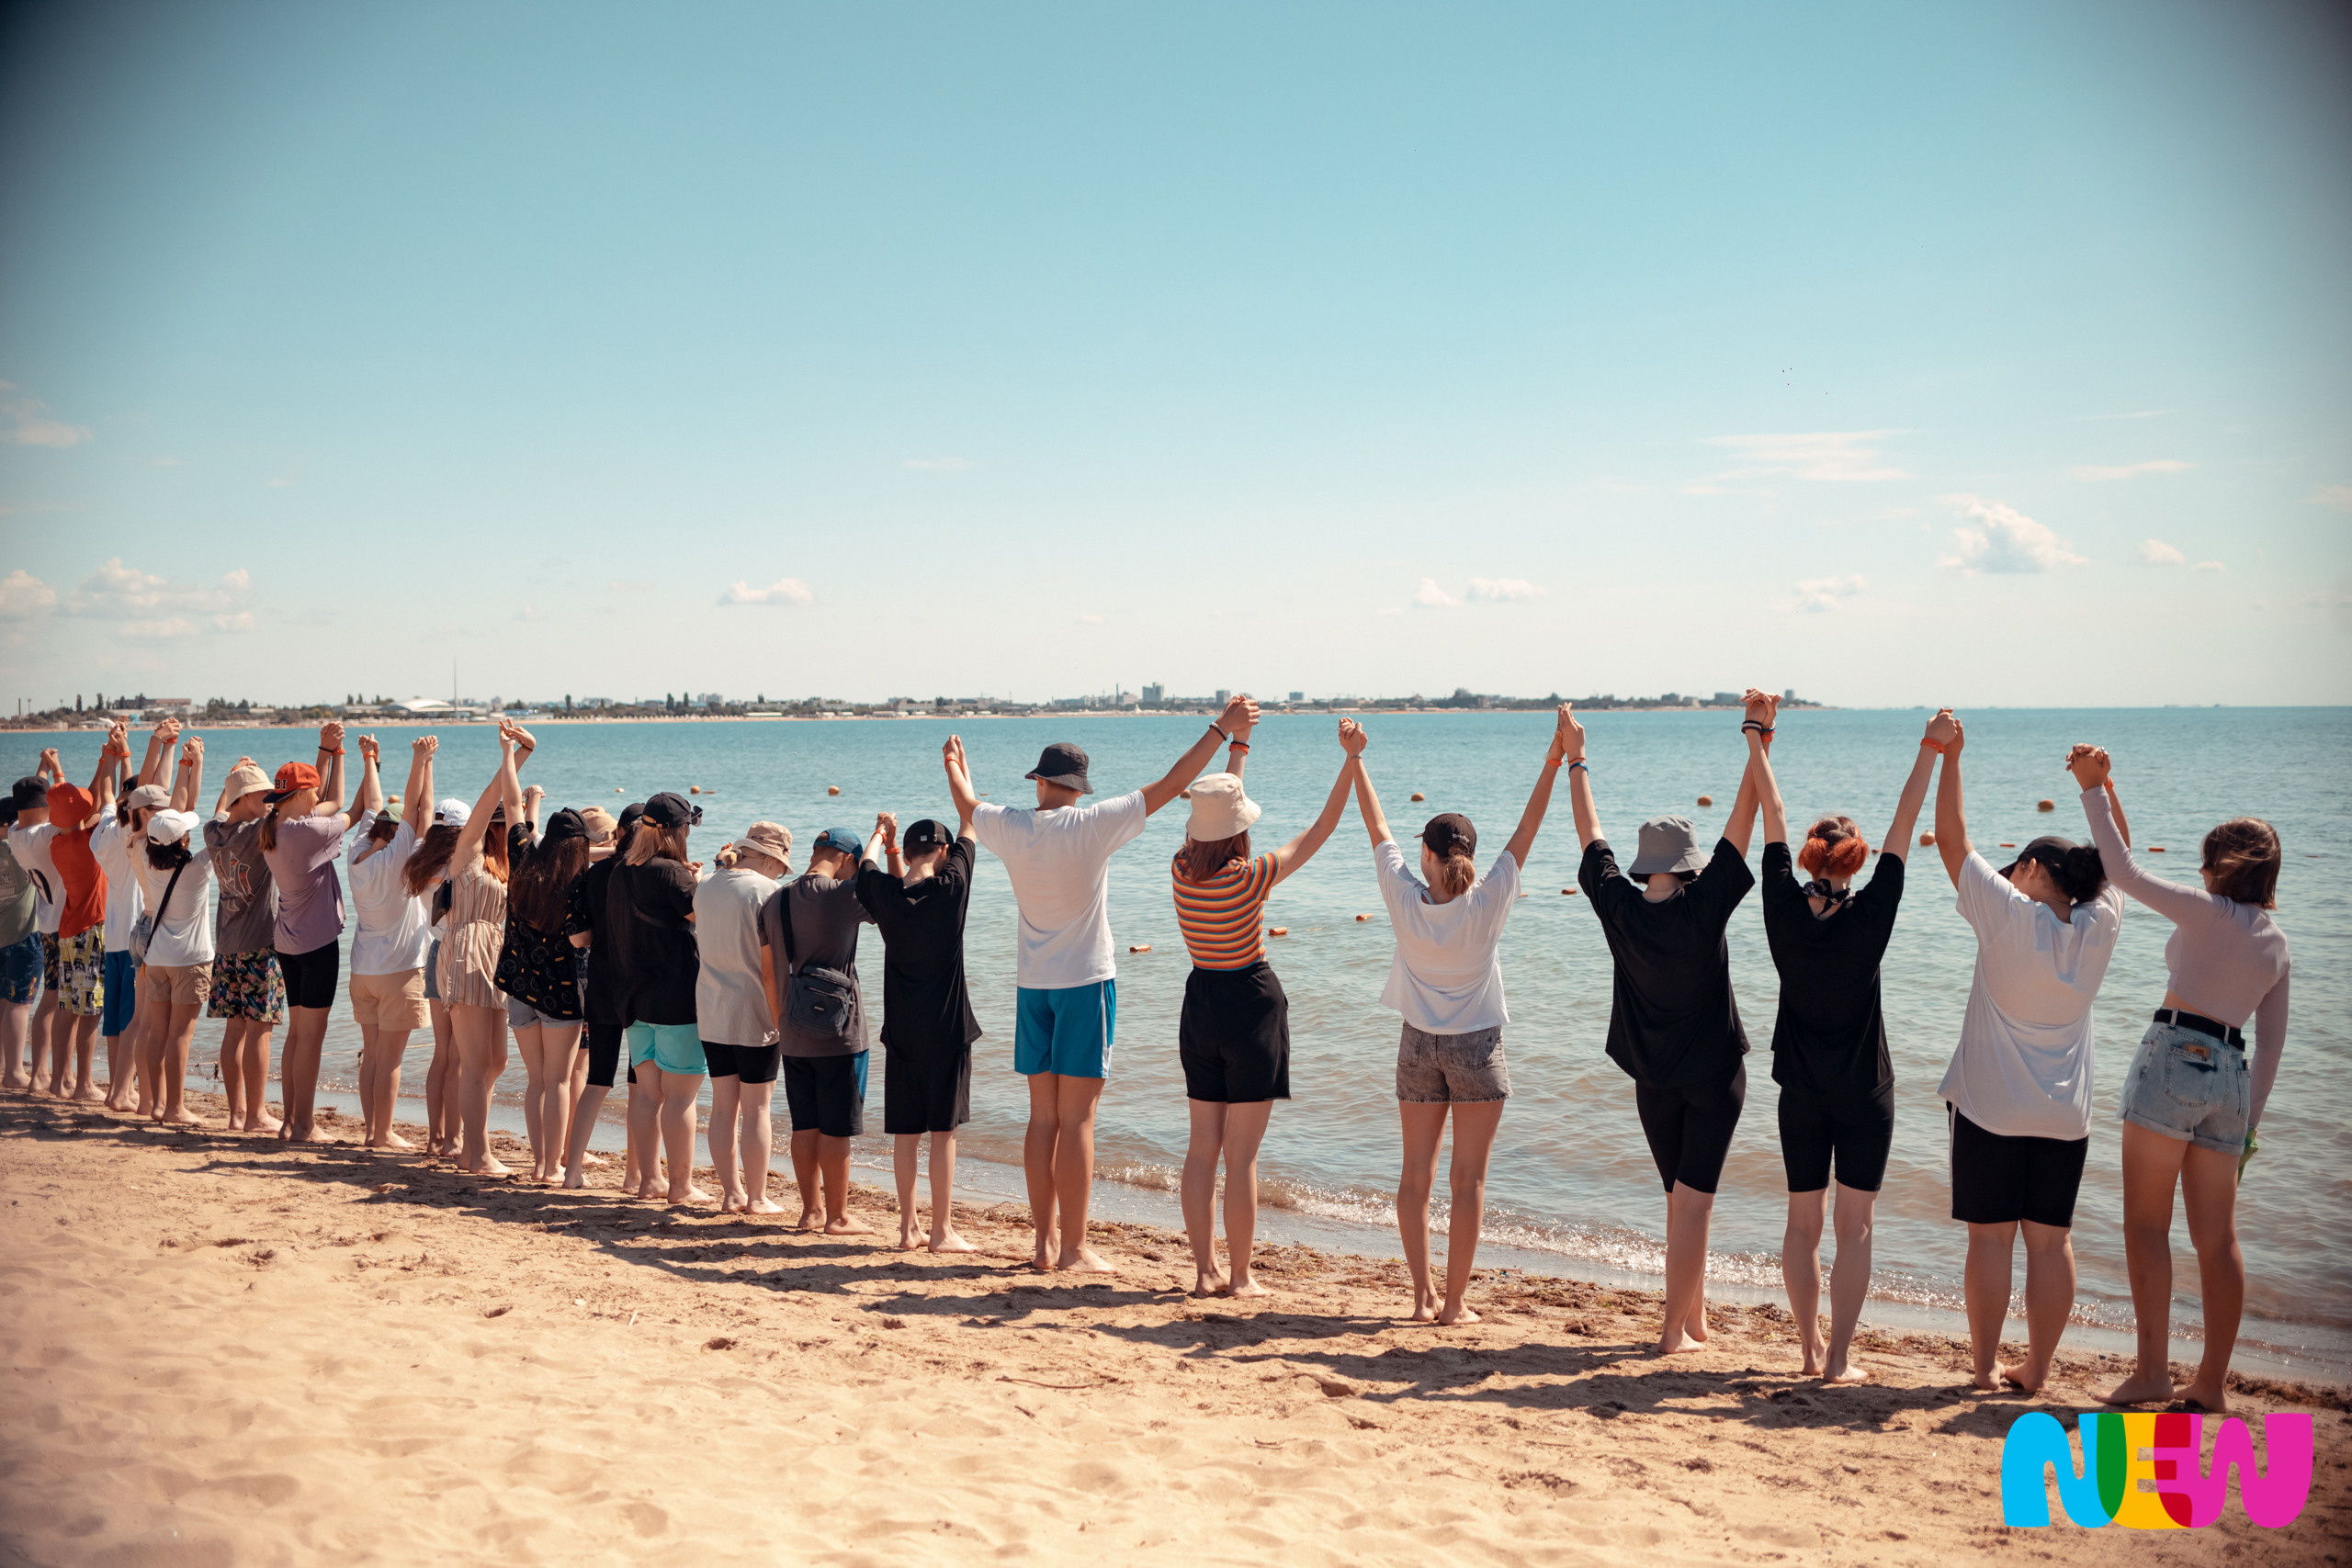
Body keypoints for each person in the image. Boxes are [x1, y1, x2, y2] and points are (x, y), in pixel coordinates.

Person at [943, 694, 1262, 1273]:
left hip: (1031, 988)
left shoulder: (1010, 826)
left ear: (1039, 782)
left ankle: (1040, 1245)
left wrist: (955, 766)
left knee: (1042, 1119)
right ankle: (1073, 1248)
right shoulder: (1094, 824)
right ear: (1079, 787)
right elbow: (1174, 783)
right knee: (1078, 1121)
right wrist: (1223, 731)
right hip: (1085, 985)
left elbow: (968, 805)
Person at [2067, 745, 2290, 1415]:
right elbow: (2272, 1044)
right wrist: (2248, 1127)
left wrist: (2090, 792)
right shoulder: (2275, 943)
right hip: (2232, 1077)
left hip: (2174, 1055)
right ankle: (2212, 1384)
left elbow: (2123, 872)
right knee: (2218, 1239)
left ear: (2219, 866)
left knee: (2145, 1225)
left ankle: (2152, 1373)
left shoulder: (2205, 911)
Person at [1357, 706, 1573, 1324]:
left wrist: (1356, 758)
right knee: (1468, 1180)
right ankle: (1454, 1304)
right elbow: (1529, 827)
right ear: (1469, 858)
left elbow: (1375, 823)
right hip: (1477, 1047)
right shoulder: (1489, 898)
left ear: (1426, 856)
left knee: (1415, 1177)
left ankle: (1421, 1298)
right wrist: (1554, 760)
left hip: (1418, 1044)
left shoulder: (1403, 896)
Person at [1929, 712, 2123, 1394]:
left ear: (2035, 870)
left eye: (2015, 870)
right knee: (2050, 1242)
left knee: (1990, 1240)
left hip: (1989, 1109)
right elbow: (2117, 859)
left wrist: (1949, 754)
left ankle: (1984, 1369)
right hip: (2065, 1117)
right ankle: (2037, 1369)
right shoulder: (2099, 926)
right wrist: (2098, 787)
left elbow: (1951, 839)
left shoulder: (2009, 915)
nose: (2006, 878)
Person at [1751, 697, 1939, 1382]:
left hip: (1801, 1091)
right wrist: (1931, 746)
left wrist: (1758, 737)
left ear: (1809, 853)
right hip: (1865, 1092)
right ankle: (1837, 1359)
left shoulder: (1778, 903)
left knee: (1803, 1224)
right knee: (1854, 1228)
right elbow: (1905, 821)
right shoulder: (1873, 911)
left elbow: (1770, 814)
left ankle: (1804, 1350)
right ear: (1856, 860)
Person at [1571, 701, 1764, 1355]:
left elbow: (1588, 833)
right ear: (1688, 866)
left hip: (1652, 1081)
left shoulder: (1616, 904)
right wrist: (1759, 741)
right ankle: (1670, 1330)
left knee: (1681, 1201)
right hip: (1713, 1079)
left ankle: (1694, 1316)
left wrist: (1576, 757)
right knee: (1694, 1203)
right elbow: (1745, 822)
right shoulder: (1705, 905)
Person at [1170, 718, 1359, 1295]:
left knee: (1203, 1146)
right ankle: (1242, 1277)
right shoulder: (1251, 878)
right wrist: (1351, 763)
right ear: (1238, 832)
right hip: (1250, 1005)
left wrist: (1240, 747)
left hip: (1200, 1001)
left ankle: (1204, 1272)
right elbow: (1321, 829)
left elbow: (1218, 816)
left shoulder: (1180, 871)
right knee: (1242, 1157)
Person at [857, 787, 981, 1252]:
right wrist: (959, 771)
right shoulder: (952, 890)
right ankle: (941, 1230)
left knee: (906, 1133)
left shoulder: (884, 896)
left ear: (905, 852)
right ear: (944, 853)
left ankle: (909, 1228)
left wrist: (880, 833)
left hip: (903, 1033)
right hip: (948, 1030)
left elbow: (868, 867)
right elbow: (971, 821)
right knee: (943, 1133)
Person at [762, 822, 882, 1232]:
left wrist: (782, 1023)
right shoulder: (846, 894)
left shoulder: (774, 902)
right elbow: (890, 894)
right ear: (848, 858)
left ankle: (810, 1212)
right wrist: (881, 843)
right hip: (840, 1032)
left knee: (804, 1124)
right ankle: (838, 1216)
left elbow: (766, 973)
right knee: (837, 1128)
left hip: (792, 1030)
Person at [438, 722, 532, 1175]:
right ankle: (475, 1154)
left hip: (496, 954)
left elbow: (518, 810)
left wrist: (525, 755)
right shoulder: (467, 854)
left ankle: (473, 1146)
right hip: (466, 951)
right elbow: (495, 799)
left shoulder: (505, 864)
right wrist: (512, 754)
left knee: (496, 1060)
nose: (503, 827)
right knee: (475, 1062)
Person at [495, 755, 594, 1185]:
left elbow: (513, 806)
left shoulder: (522, 861)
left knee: (536, 1081)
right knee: (558, 1081)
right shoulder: (579, 883)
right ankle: (554, 1166)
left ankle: (538, 1163)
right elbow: (580, 941)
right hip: (561, 993)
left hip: (519, 986)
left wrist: (509, 754)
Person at [257, 724, 356, 1142]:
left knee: (296, 1034)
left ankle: (288, 1121)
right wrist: (346, 757)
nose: (317, 798)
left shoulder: (275, 828)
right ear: (299, 798)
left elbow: (317, 798)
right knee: (311, 1039)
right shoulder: (309, 832)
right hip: (316, 944)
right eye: (309, 792)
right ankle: (304, 1125)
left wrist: (325, 752)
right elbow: (352, 805)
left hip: (288, 942)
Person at [609, 790, 707, 1204]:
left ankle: (650, 1179)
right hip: (676, 997)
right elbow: (705, 917)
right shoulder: (672, 873)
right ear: (678, 831)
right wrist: (702, 881)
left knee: (648, 1094)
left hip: (633, 997)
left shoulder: (620, 872)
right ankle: (681, 1186)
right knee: (682, 1095)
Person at [695, 821, 790, 1213]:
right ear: (769, 859)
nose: (781, 874)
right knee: (757, 1109)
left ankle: (730, 1194)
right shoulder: (767, 892)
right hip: (755, 1010)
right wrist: (782, 1017)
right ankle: (757, 1197)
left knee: (722, 1106)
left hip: (712, 1008)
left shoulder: (706, 886)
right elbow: (775, 964)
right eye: (781, 867)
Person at [347, 735, 435, 1150]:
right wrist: (420, 760)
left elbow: (371, 805)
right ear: (398, 829)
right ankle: (382, 1133)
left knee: (371, 1054)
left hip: (363, 970)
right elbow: (417, 804)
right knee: (391, 1058)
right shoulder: (401, 853)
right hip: (398, 970)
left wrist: (370, 760)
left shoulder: (357, 854)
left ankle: (370, 1131)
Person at [206, 752, 293, 1134]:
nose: (268, 801)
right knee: (259, 1029)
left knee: (235, 1029)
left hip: (226, 946)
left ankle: (235, 1114)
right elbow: (293, 809)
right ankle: (256, 1115)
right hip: (260, 945)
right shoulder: (259, 833)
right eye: (261, 795)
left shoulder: (214, 833)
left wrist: (234, 778)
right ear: (243, 799)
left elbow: (219, 811)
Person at [39, 730, 125, 1103]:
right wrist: (117, 758)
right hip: (91, 931)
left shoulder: (59, 841)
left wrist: (104, 757)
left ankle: (59, 1080)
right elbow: (114, 802)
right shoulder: (89, 842)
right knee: (90, 1010)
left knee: (67, 1007)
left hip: (68, 931)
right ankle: (85, 1083)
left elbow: (87, 804)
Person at [562, 800, 644, 1190]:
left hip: (601, 982)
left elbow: (581, 934)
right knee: (639, 1084)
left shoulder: (594, 874)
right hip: (641, 990)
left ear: (619, 833)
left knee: (597, 1081)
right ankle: (635, 1175)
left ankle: (572, 1169)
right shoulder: (647, 873)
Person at [133, 739, 214, 1125]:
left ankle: (154, 1104)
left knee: (156, 1033)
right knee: (180, 1035)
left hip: (157, 959)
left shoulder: (148, 863)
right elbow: (218, 828)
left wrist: (189, 764)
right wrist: (204, 770)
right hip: (190, 960)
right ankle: (176, 1107)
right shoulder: (196, 868)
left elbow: (180, 824)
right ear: (184, 841)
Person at [93, 722, 171, 1111]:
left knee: (115, 1020)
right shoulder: (135, 831)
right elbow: (131, 794)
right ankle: (123, 1090)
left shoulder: (106, 830)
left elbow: (113, 794)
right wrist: (150, 746)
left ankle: (115, 1087)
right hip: (133, 933)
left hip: (112, 935)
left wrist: (116, 754)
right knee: (132, 1020)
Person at [404, 790, 470, 1159]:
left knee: (441, 1054)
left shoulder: (421, 861)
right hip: (458, 955)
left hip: (434, 953)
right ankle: (455, 1139)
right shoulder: (460, 865)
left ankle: (434, 1136)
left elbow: (422, 809)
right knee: (459, 1057)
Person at [9, 761, 63, 1097]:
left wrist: (42, 770)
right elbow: (73, 808)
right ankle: (41, 1073)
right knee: (55, 998)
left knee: (54, 997)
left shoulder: (17, 833)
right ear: (44, 806)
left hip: (46, 923)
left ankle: (48, 1072)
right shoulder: (45, 835)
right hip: (60, 923)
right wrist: (57, 774)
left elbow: (34, 801)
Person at [0, 796, 42, 1091]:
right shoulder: (20, 849)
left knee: (3, 1001)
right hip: (22, 936)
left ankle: (3, 1066)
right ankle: (14, 1071)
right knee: (20, 1004)